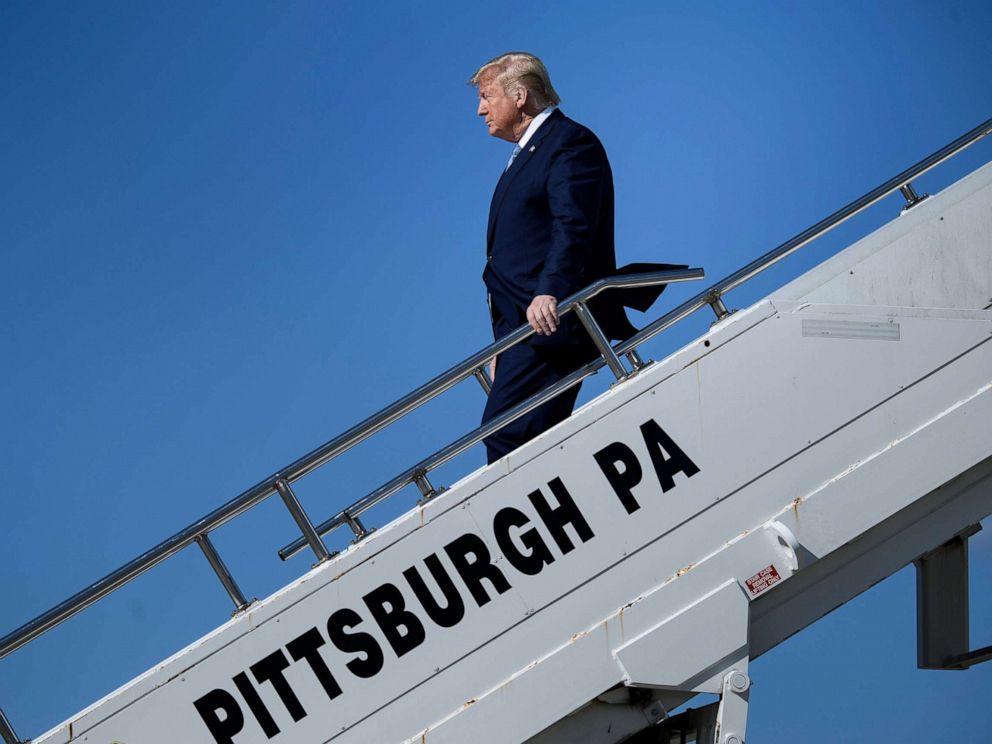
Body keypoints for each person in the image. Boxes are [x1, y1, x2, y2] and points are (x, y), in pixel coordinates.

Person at [471, 52, 679, 464]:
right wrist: (502, 345)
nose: (480, 110)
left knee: (508, 435)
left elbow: (573, 225)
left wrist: (551, 291)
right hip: (522, 331)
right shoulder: (527, 155)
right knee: (514, 436)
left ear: (519, 96)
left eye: (486, 96)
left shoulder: (568, 143)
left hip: (552, 322)